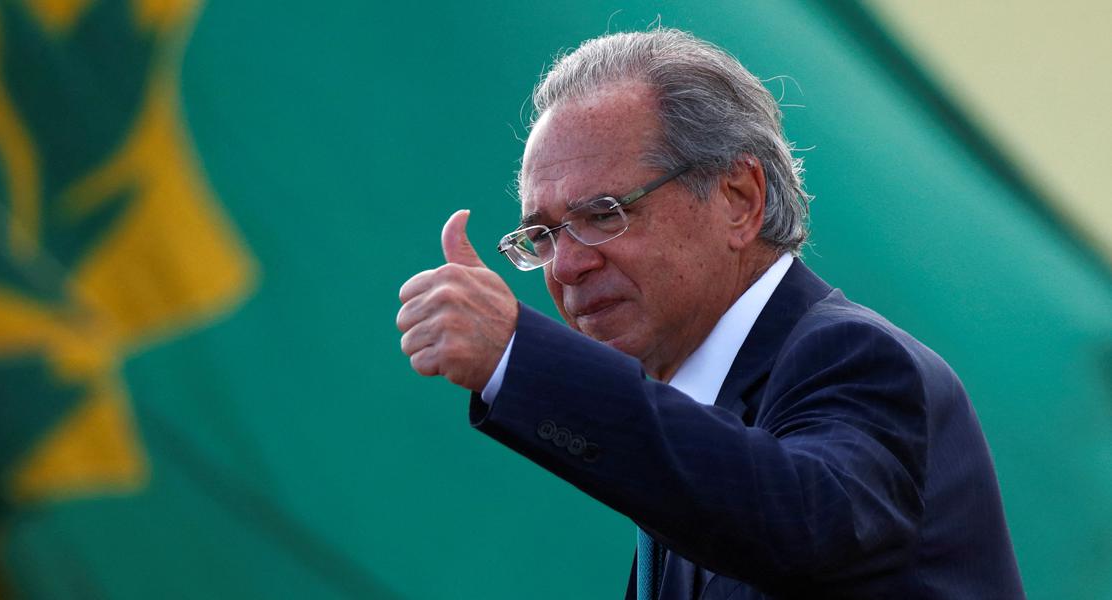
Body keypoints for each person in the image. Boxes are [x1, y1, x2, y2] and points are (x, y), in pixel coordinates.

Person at [396, 28, 1024, 599]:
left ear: (739, 199)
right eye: (543, 234)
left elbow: (791, 520)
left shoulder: (854, 360)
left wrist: (518, 355)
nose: (564, 267)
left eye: (603, 214)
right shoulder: (692, 423)